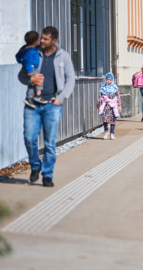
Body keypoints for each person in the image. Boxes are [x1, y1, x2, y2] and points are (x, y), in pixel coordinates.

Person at [18, 26, 75, 187]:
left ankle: (47, 174)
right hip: (32, 104)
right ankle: (35, 166)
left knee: (50, 143)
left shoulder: (63, 56)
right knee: (29, 138)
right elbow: (21, 76)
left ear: (54, 41)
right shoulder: (33, 53)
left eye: (45, 39)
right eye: (41, 38)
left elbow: (71, 78)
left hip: (52, 105)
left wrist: (61, 98)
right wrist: (31, 80)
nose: (41, 41)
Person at [15, 31, 47, 109]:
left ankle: (29, 98)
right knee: (39, 79)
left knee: (32, 84)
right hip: (32, 68)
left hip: (32, 67)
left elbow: (19, 56)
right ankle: (38, 95)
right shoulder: (29, 52)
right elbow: (27, 61)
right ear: (36, 41)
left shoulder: (27, 48)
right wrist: (30, 71)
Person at [97, 73, 121, 140]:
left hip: (113, 106)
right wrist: (98, 104)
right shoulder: (103, 87)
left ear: (112, 80)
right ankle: (106, 132)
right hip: (105, 106)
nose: (109, 81)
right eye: (108, 80)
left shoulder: (115, 88)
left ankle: (112, 133)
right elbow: (99, 96)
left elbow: (118, 97)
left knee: (113, 119)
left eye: (110, 80)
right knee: (105, 120)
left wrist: (119, 105)